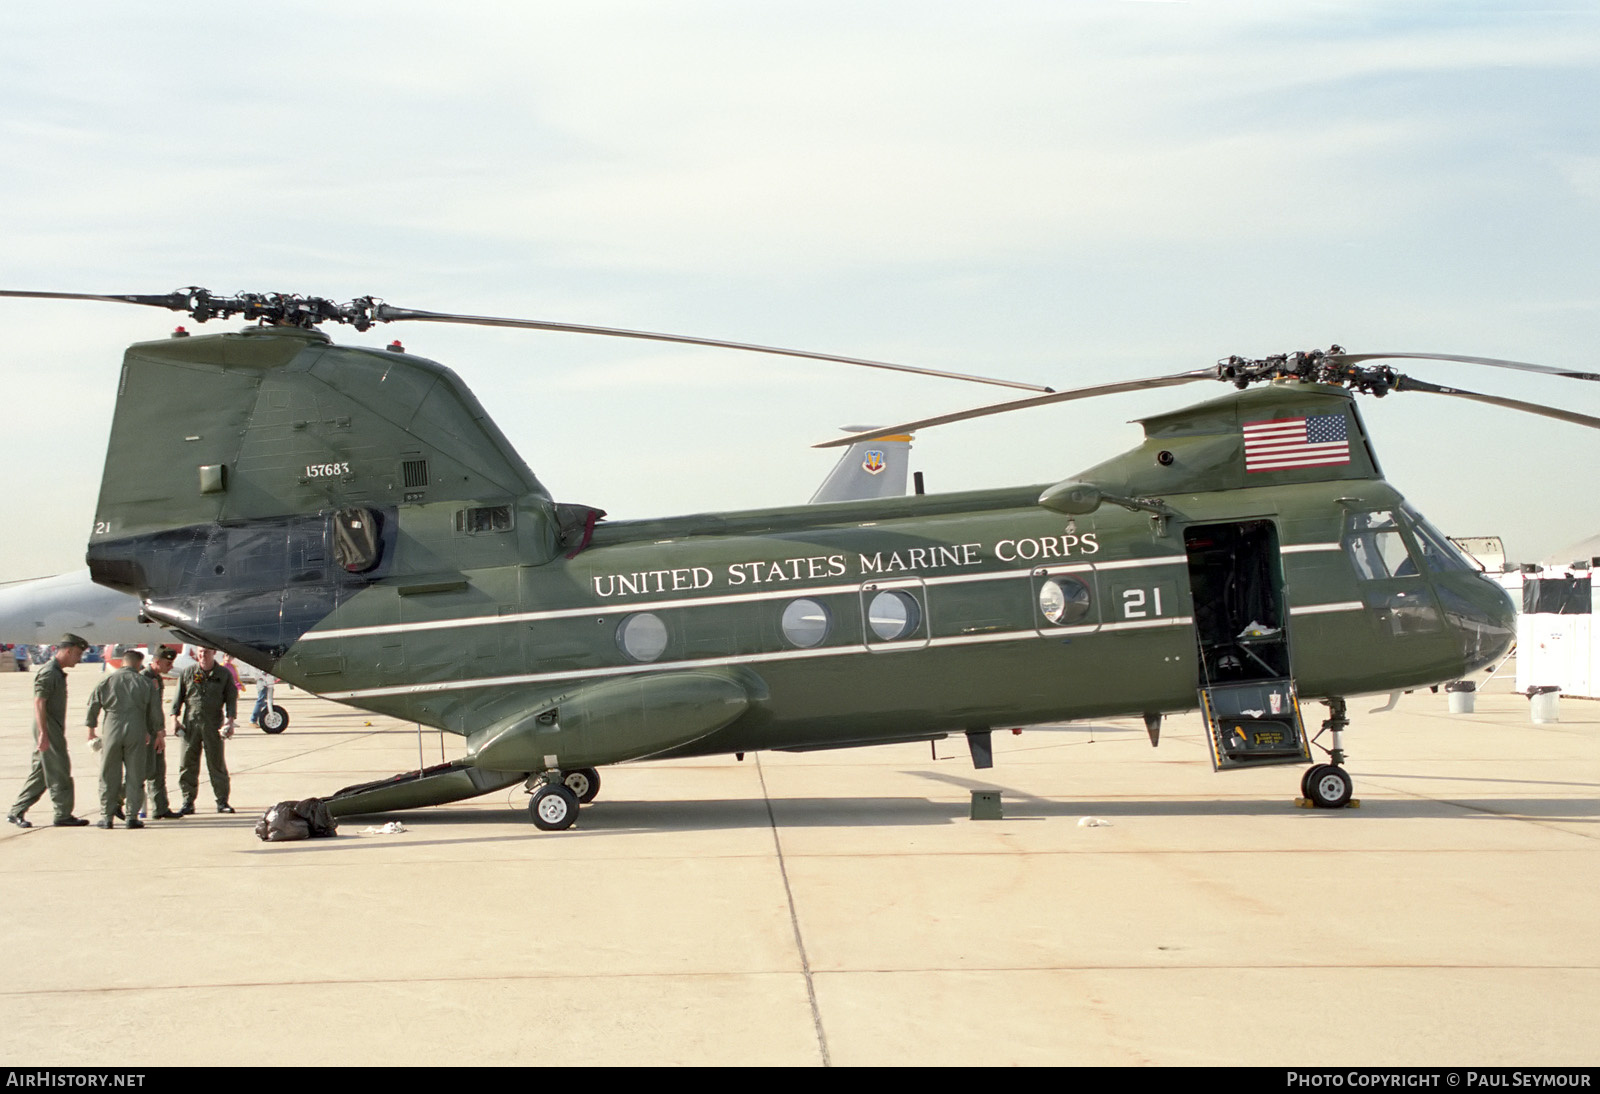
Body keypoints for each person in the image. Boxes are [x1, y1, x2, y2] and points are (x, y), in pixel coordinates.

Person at [6, 634, 92, 828]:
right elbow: (39, 701)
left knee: (42, 772)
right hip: (48, 727)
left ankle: (16, 811)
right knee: (60, 770)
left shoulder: (57, 672)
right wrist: (44, 733)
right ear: (68, 651)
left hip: (50, 726)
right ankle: (63, 814)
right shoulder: (49, 672)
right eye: (77, 654)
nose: (79, 658)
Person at [85, 646, 162, 829]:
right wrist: (158, 732)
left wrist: (91, 731)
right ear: (138, 664)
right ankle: (131, 817)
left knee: (108, 773)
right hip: (136, 728)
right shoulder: (145, 683)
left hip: (112, 727)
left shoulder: (108, 680)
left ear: (122, 662)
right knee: (135, 774)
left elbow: (93, 705)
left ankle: (107, 816)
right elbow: (155, 711)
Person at [171, 646, 238, 814]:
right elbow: (177, 698)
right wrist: (174, 720)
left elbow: (231, 699)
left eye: (206, 651)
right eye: (200, 652)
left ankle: (222, 801)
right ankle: (188, 801)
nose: (203, 655)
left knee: (216, 764)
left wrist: (230, 722)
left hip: (213, 725)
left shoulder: (223, 674)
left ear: (214, 653)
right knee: (187, 764)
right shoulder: (188, 673)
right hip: (190, 725)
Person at [139, 645, 182, 819]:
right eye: (168, 663)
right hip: (146, 733)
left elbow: (157, 708)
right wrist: (152, 732)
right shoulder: (143, 679)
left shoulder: (157, 678)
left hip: (156, 731)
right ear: (156, 661)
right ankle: (116, 800)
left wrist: (160, 731)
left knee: (158, 771)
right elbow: (142, 709)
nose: (170, 667)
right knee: (143, 772)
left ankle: (160, 808)